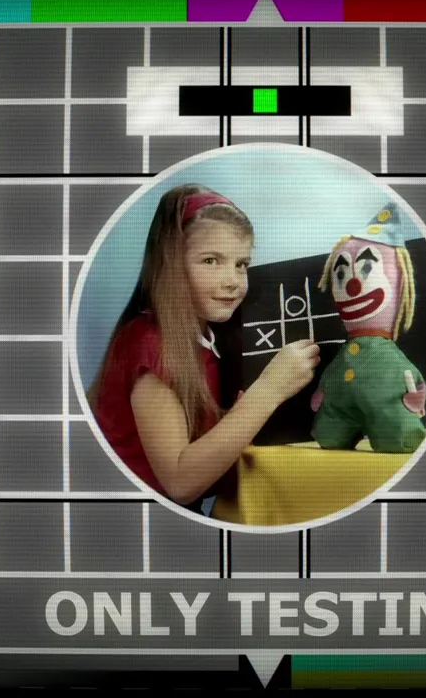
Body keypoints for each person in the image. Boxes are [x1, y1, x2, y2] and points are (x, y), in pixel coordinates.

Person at [87, 184, 321, 513]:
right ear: (170, 265)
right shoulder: (149, 342)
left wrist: (237, 418)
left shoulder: (209, 339)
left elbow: (209, 461)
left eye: (241, 264)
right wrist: (269, 391)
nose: (232, 280)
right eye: (211, 261)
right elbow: (180, 482)